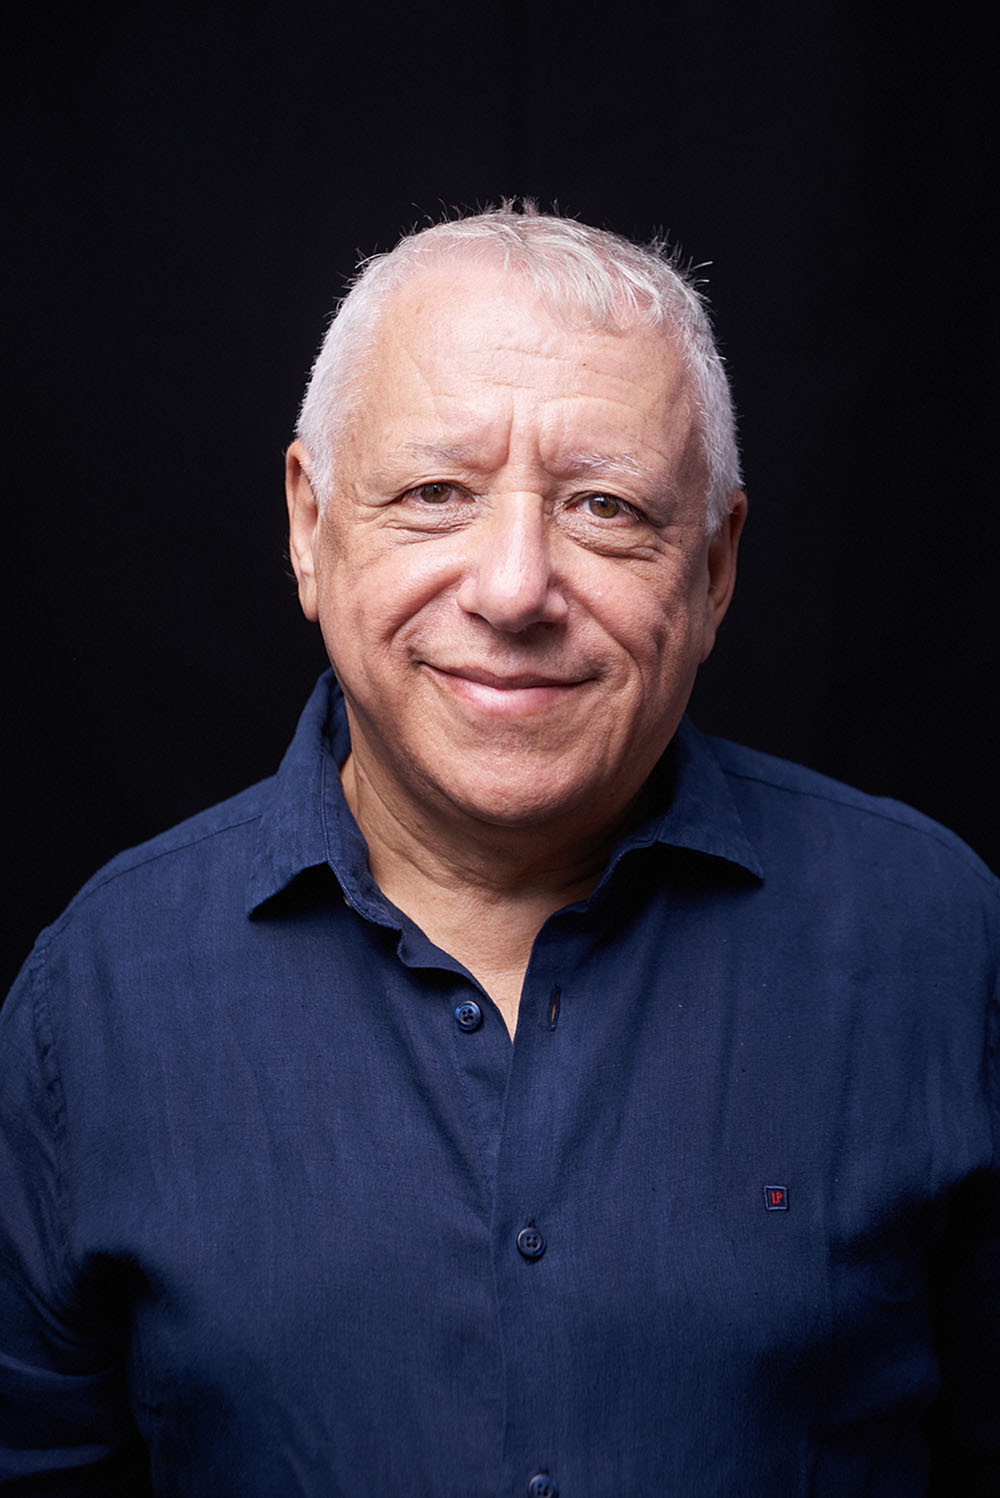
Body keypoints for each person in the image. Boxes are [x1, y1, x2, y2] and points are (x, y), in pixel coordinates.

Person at [0, 205, 996, 1497]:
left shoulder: (939, 938)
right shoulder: (96, 996)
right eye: (436, 494)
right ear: (309, 525)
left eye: (605, 506)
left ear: (714, 568)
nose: (516, 588)